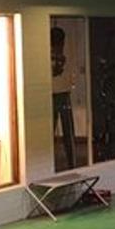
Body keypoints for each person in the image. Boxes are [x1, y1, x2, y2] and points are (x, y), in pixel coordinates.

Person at [51, 26, 77, 170]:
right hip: (54, 94)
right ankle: (51, 163)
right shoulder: (52, 55)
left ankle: (72, 163)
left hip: (62, 93)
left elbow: (70, 74)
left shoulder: (64, 55)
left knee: (68, 131)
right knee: (57, 130)